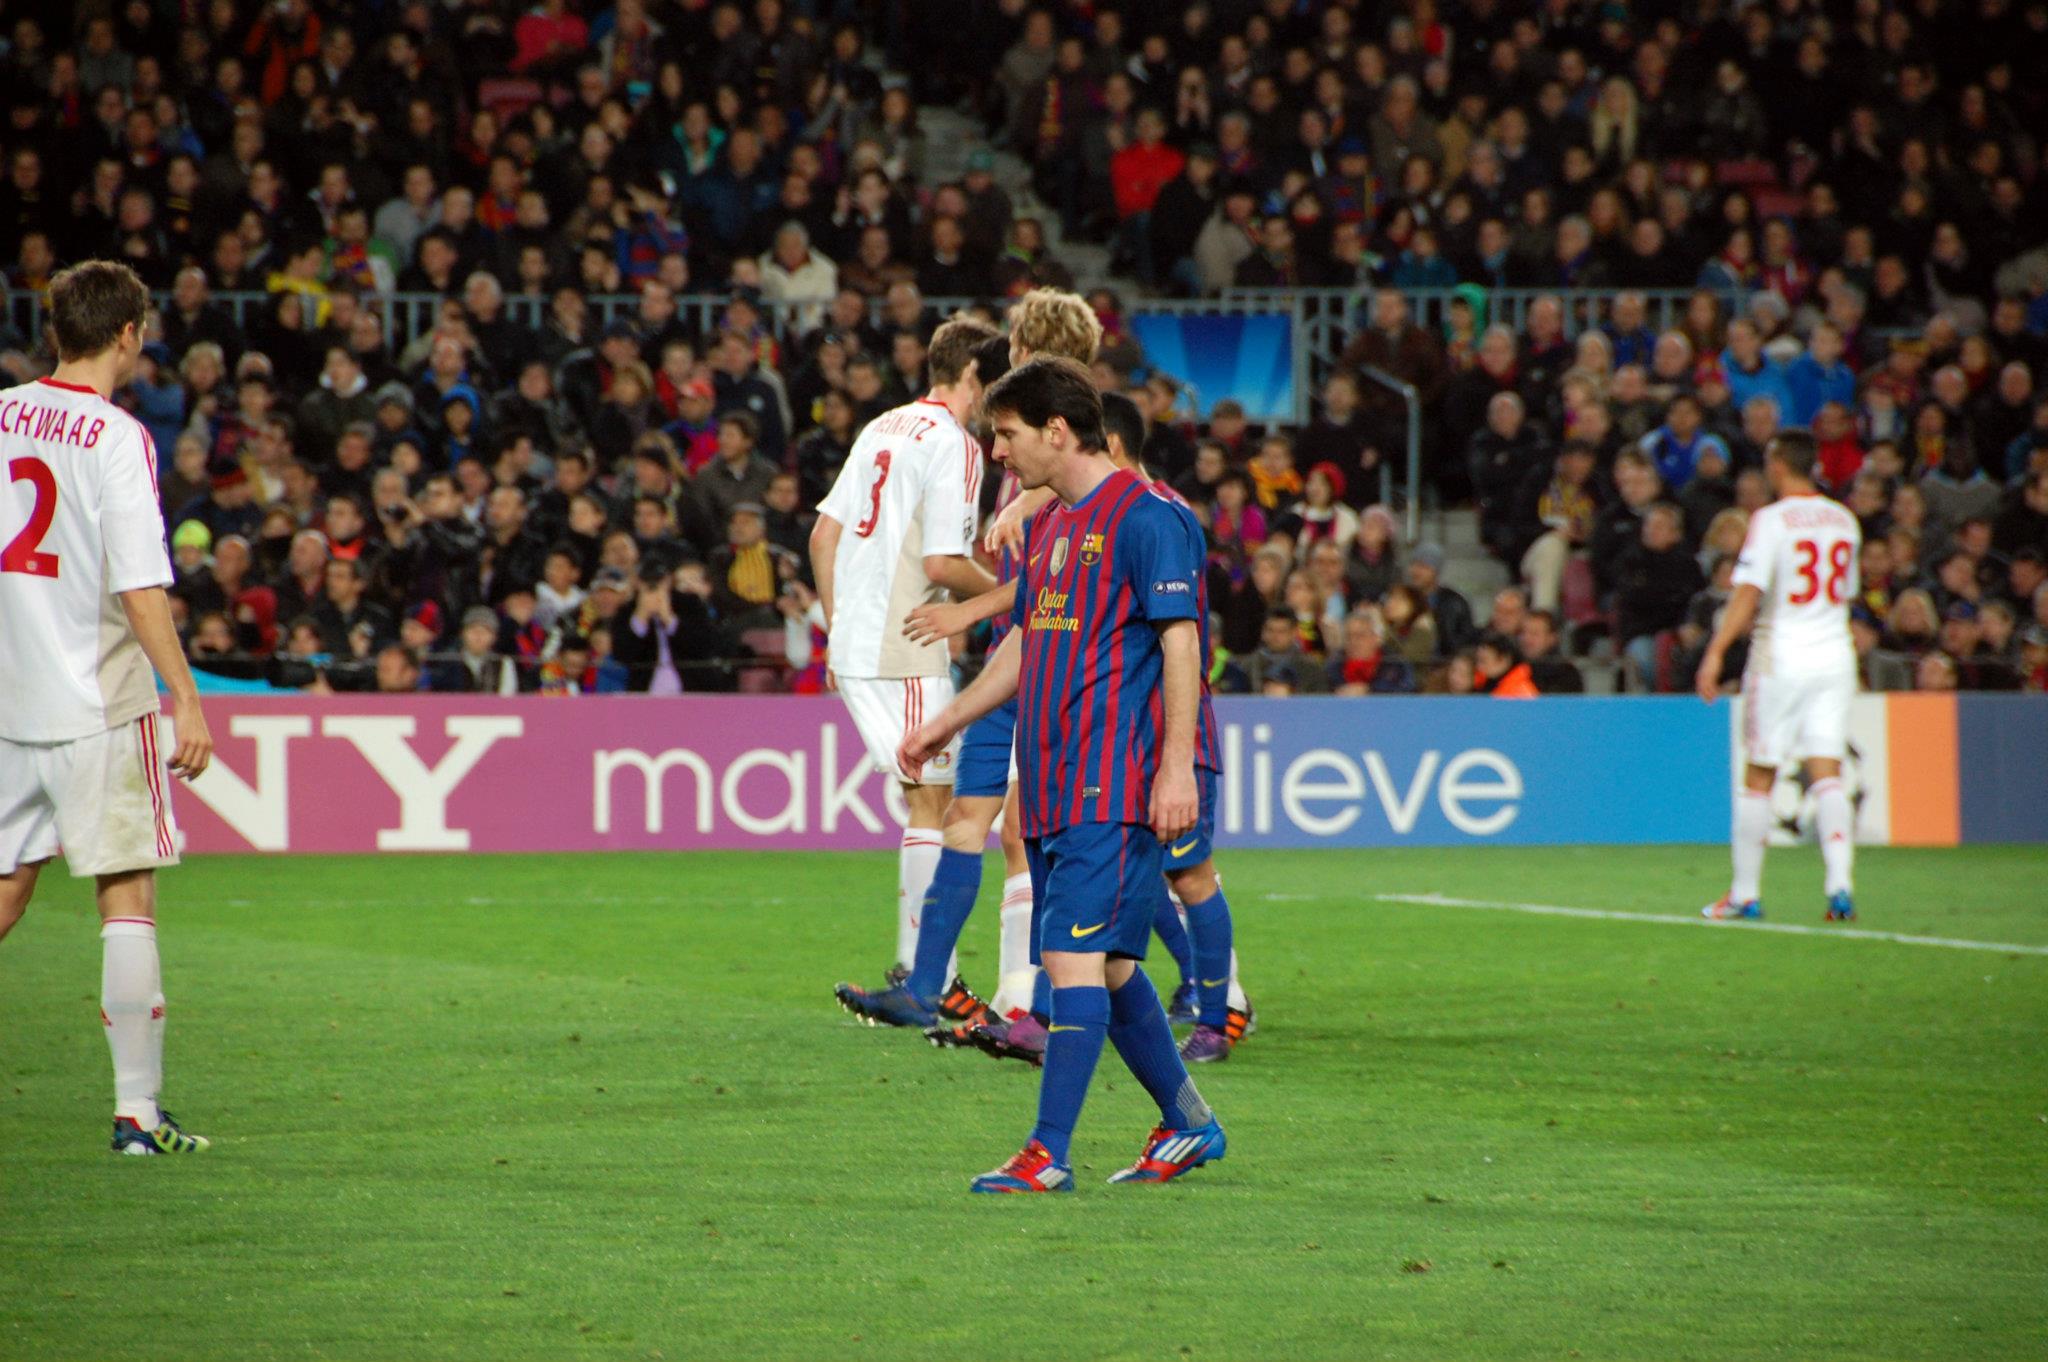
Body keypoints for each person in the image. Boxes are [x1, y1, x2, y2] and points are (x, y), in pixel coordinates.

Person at [899, 356, 1223, 1192]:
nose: (999, 454)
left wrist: (1176, 766)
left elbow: (1182, 642)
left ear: (1057, 429)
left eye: (1005, 435)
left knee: (1070, 963)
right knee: (1110, 966)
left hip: (1112, 784)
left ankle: (1047, 1154)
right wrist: (945, 722)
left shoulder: (1150, 517)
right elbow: (1025, 642)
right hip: (1048, 784)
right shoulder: (1052, 525)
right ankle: (1189, 1123)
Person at [0, 260, 216, 1156]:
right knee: (126, 893)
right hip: (98, 703)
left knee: (6, 892)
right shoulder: (117, 437)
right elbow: (139, 584)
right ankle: (136, 1112)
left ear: (56, 329)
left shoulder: (3, 419)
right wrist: (185, 698)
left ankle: (139, 1112)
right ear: (128, 334)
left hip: (9, 703)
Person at [891, 291, 1105, 1054]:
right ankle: (924, 987)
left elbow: (1065, 574)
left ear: (1034, 341)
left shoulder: (1073, 453)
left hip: (1055, 657)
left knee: (1035, 833)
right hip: (1014, 650)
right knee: (971, 820)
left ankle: (1036, 1003)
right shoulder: (1023, 441)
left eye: (1015, 334)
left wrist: (964, 611)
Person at [815, 316, 1001, 1020]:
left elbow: (821, 535)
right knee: (943, 804)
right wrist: (1017, 597)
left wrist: (837, 628)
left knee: (921, 800)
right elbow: (942, 566)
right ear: (974, 376)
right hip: (907, 639)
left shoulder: (880, 427)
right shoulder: (956, 443)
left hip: (857, 643)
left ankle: (919, 973)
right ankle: (931, 980)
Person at [1696, 431, 1862, 923]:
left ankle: (1745, 893)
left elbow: (1748, 592)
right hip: (1835, 654)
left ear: (1777, 464)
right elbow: (1843, 593)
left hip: (1782, 655)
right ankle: (1840, 885)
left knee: (1761, 771)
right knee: (1826, 769)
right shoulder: (1844, 520)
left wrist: (1716, 650)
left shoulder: (1770, 521)